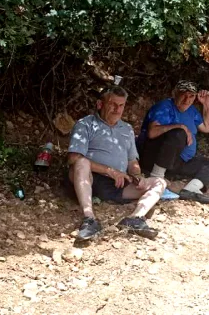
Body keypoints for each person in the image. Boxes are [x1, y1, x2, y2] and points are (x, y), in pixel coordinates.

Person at [67, 86, 166, 241]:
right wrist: (109, 171)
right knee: (81, 163)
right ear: (100, 104)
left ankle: (135, 218)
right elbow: (74, 158)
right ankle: (89, 219)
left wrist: (137, 176)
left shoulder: (126, 129)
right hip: (90, 179)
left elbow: (132, 161)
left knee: (159, 182)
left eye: (121, 105)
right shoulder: (85, 124)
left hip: (117, 184)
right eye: (113, 104)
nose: (117, 109)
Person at [137, 80, 209, 204]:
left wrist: (207, 105)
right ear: (175, 93)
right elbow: (152, 133)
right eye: (184, 94)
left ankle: (191, 189)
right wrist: (180, 126)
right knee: (178, 133)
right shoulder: (165, 106)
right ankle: (156, 178)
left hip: (178, 162)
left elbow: (207, 127)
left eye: (191, 96)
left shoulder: (192, 111)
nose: (187, 99)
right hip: (154, 158)